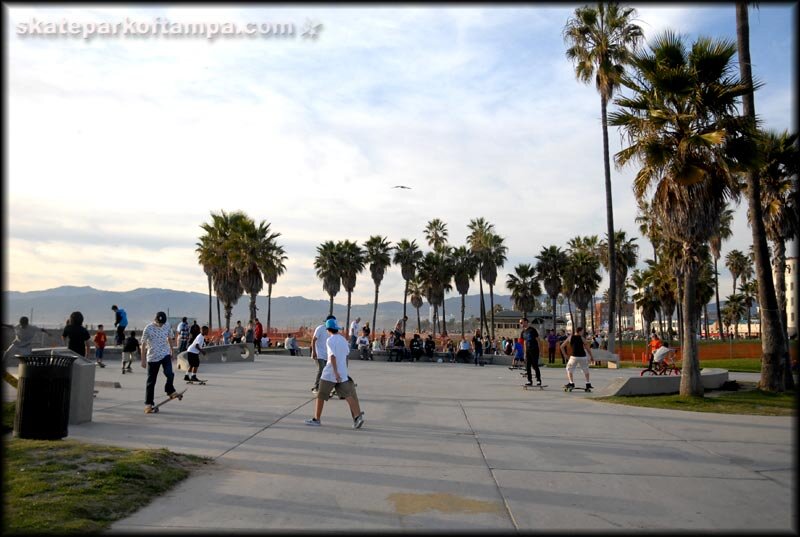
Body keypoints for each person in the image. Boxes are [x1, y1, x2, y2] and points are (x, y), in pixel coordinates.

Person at [305, 318, 364, 429]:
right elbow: (346, 355)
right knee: (348, 396)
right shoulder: (343, 340)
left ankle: (317, 419)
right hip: (342, 373)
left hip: (330, 373)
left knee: (321, 395)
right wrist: (343, 371)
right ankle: (357, 417)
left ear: (328, 329)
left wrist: (335, 373)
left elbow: (332, 357)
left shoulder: (330, 340)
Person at [141, 311, 180, 414]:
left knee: (170, 373)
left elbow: (169, 337)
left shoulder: (167, 326)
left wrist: (172, 350)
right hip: (153, 358)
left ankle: (170, 390)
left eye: (162, 323)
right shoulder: (148, 328)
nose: (161, 325)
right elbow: (143, 344)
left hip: (165, 354)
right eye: (159, 323)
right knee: (151, 381)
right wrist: (143, 360)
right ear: (155, 320)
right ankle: (148, 404)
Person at [561, 326, 594, 391]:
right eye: (582, 331)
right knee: (586, 370)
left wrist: (565, 355)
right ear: (579, 331)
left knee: (569, 369)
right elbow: (587, 348)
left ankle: (571, 383)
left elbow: (562, 346)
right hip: (583, 357)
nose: (583, 333)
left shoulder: (570, 337)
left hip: (574, 357)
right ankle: (588, 383)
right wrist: (591, 356)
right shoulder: (582, 338)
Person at [310, 315, 336, 394]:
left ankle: (325, 387)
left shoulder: (332, 331)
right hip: (319, 353)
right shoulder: (320, 328)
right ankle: (316, 387)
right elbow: (313, 340)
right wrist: (314, 352)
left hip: (327, 355)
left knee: (328, 371)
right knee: (321, 369)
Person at [520, 317, 541, 387]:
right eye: (520, 323)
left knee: (535, 365)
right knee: (527, 366)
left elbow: (538, 339)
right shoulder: (523, 332)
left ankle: (538, 380)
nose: (520, 324)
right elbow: (525, 342)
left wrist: (539, 350)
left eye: (521, 322)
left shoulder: (532, 330)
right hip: (528, 351)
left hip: (534, 350)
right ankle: (529, 380)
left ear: (526, 322)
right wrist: (525, 352)